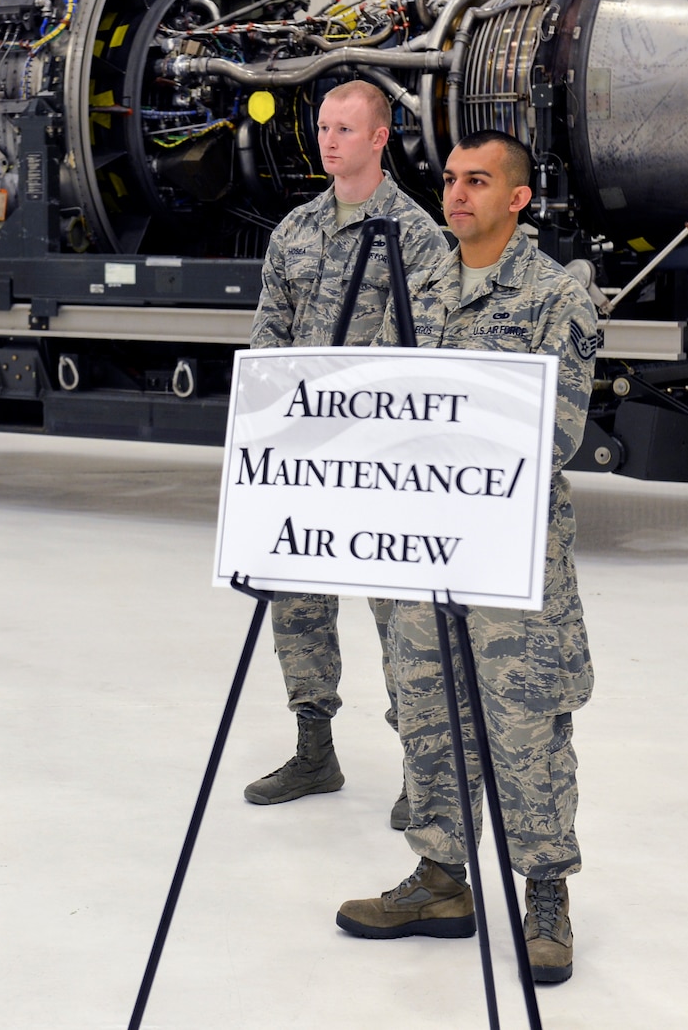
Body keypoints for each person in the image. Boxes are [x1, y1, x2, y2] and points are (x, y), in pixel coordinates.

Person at [335, 130, 599, 986]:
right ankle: (443, 879)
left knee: (523, 727)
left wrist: (435, 428)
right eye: (450, 179)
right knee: (428, 711)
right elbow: (376, 401)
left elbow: (554, 434)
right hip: (423, 550)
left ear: (517, 197)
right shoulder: (418, 290)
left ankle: (547, 892)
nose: (456, 194)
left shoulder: (557, 298)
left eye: (477, 181)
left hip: (510, 563)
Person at [243, 79, 449, 827]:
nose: (328, 140)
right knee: (296, 605)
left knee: (402, 621)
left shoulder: (417, 237)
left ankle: (419, 769)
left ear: (378, 137)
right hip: (305, 457)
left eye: (343, 128)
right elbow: (269, 336)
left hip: (382, 461)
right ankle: (313, 748)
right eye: (323, 127)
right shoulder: (295, 231)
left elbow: (424, 354)